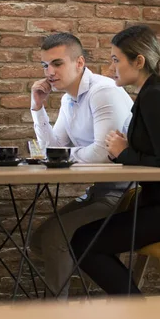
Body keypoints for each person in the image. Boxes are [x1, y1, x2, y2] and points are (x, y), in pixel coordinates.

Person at [70, 25, 160, 295]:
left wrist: (123, 151)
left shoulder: (156, 97)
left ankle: (137, 316)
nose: (111, 66)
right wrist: (121, 149)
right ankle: (133, 313)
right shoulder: (151, 95)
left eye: (116, 59)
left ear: (138, 61)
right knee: (84, 238)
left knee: (84, 241)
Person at [28, 33, 134, 298]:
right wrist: (38, 108)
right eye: (45, 66)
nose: (49, 72)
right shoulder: (68, 99)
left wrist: (67, 155)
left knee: (54, 238)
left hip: (126, 194)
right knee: (39, 239)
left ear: (79, 63)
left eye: (57, 63)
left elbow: (103, 154)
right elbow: (51, 151)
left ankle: (57, 316)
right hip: (100, 191)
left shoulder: (103, 91)